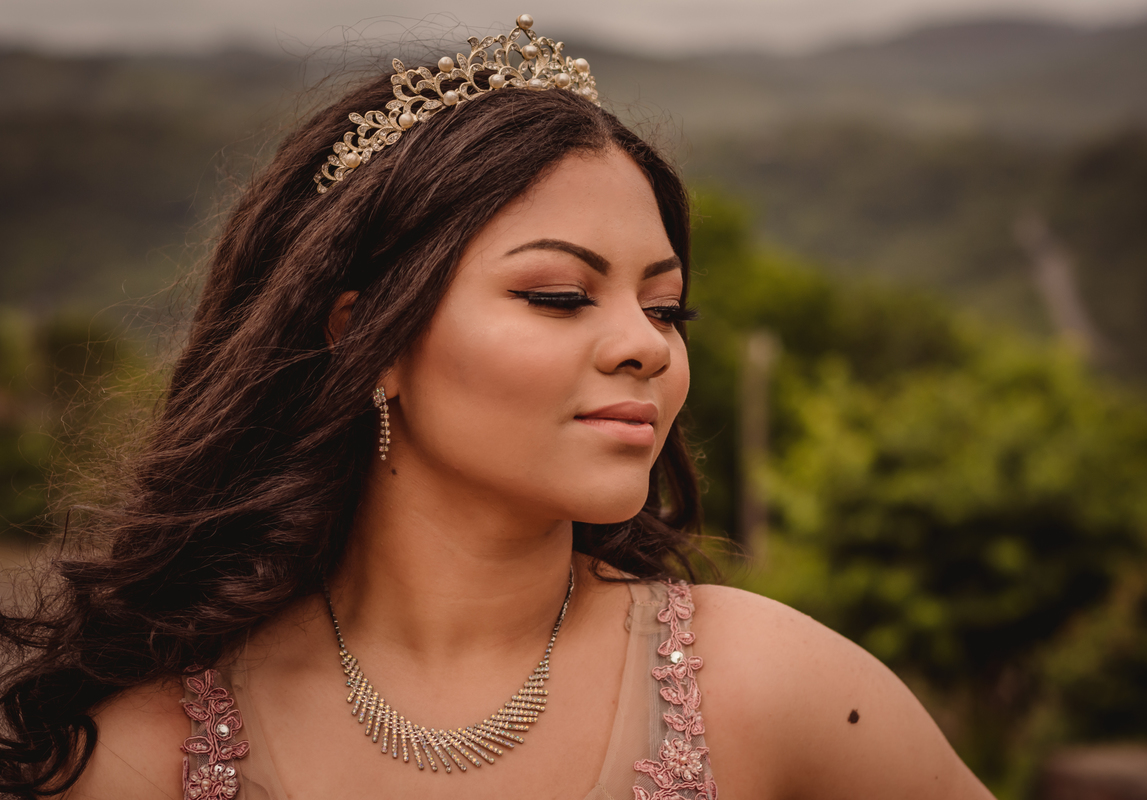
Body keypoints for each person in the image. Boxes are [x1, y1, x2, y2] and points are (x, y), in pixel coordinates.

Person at [0, 15, 995, 800]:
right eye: (559, 295)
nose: (647, 344)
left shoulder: (772, 688)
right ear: (366, 334)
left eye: (665, 307)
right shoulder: (147, 750)